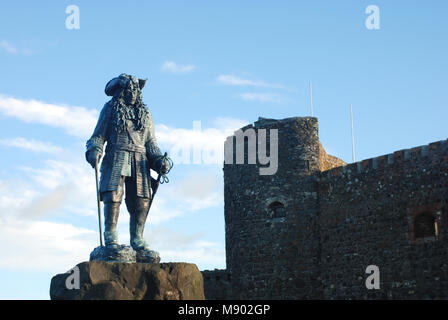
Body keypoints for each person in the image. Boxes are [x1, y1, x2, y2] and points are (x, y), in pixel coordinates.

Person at [85, 73, 170, 251]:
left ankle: (137, 238)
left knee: (141, 201)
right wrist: (94, 149)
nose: (132, 93)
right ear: (120, 92)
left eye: (135, 90)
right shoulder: (110, 109)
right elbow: (98, 136)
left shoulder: (145, 114)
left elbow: (151, 143)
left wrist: (160, 160)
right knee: (113, 196)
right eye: (128, 90)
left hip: (140, 160)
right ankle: (111, 238)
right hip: (117, 155)